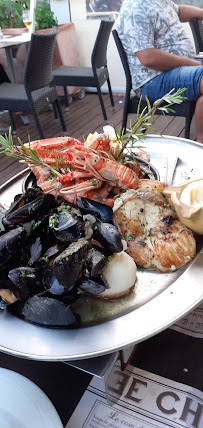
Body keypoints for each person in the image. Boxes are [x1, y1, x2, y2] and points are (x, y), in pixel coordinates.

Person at [115, 0, 203, 143]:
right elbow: (148, 57)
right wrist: (191, 63)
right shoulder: (134, 8)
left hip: (177, 69)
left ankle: (199, 144)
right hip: (152, 79)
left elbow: (178, 11)